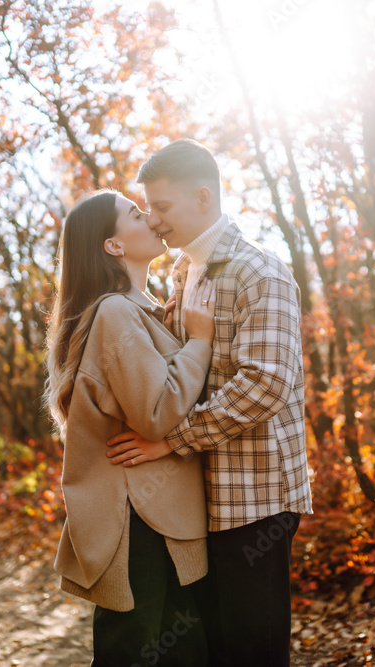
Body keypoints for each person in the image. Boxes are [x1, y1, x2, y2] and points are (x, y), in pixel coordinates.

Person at [106, 139, 313, 666]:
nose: (153, 221)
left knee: (252, 653)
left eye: (163, 207)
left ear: (203, 197)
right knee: (209, 651)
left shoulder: (259, 272)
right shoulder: (185, 272)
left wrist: (170, 441)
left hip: (255, 500)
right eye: (147, 208)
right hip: (200, 498)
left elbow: (265, 384)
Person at [44, 189, 218, 666]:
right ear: (113, 246)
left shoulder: (140, 309)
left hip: (159, 514)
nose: (152, 221)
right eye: (137, 215)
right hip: (137, 518)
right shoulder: (115, 312)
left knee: (181, 653)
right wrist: (200, 342)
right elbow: (157, 412)